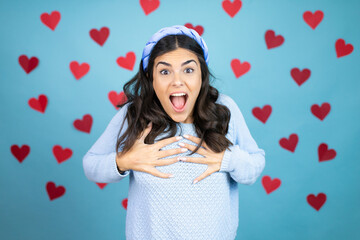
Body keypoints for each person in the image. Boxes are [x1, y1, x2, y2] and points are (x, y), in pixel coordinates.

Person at [82, 25, 266, 240]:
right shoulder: (134, 114)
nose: (177, 81)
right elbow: (90, 165)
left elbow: (255, 166)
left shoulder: (224, 109)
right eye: (165, 71)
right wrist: (125, 161)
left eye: (188, 70)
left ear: (201, 75)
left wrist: (228, 159)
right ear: (151, 77)